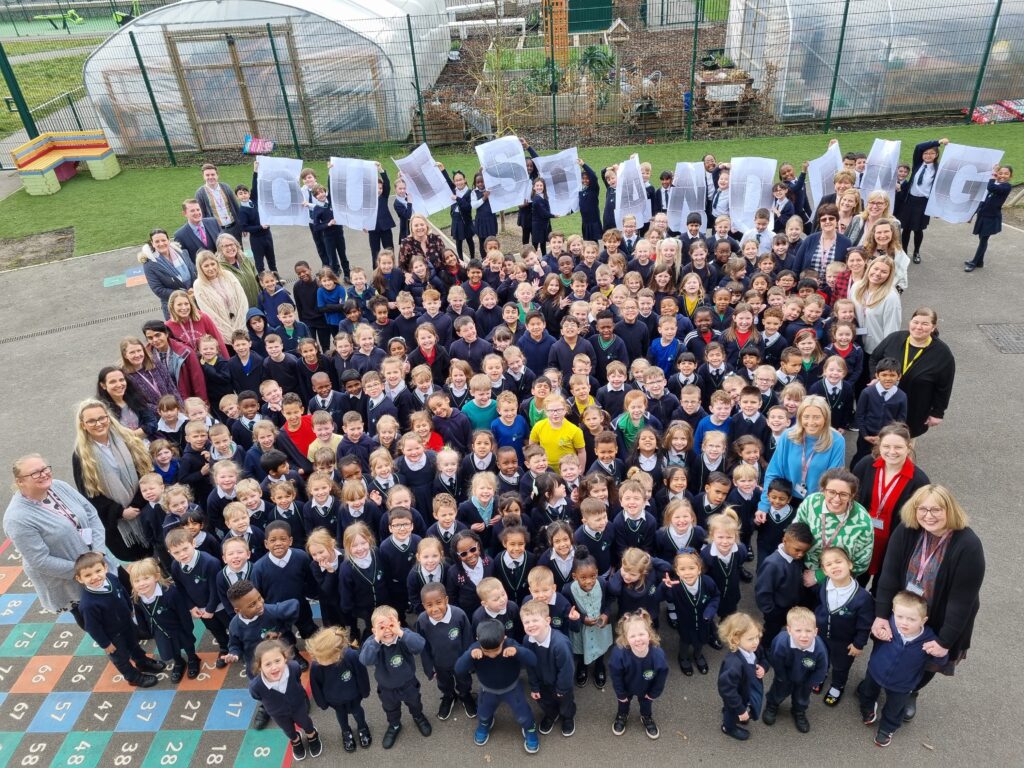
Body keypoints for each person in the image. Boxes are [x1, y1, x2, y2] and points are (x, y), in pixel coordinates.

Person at [871, 485, 985, 723]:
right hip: (904, 611)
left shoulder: (968, 545)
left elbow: (961, 601)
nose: (928, 515)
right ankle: (879, 680)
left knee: (925, 661)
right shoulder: (906, 530)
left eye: (936, 509)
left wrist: (944, 641)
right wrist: (881, 615)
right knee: (888, 646)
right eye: (922, 509)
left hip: (942, 617)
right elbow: (889, 575)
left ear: (949, 509)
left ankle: (911, 691)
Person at [4, 455, 107, 622]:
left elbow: (91, 514)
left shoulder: (58, 486)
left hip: (97, 561)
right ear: (20, 481)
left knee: (121, 604)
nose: (44, 474)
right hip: (70, 581)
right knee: (100, 624)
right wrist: (86, 571)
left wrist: (99, 551)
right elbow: (40, 560)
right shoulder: (16, 519)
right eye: (35, 473)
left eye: (45, 469)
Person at [859, 591, 948, 748]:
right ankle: (868, 707)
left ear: (924, 620)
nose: (904, 623)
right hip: (875, 671)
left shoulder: (929, 639)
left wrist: (939, 653)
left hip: (903, 684)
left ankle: (887, 728)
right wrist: (879, 633)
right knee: (867, 692)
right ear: (893, 612)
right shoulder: (889, 625)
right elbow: (873, 633)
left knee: (895, 708)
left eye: (912, 619)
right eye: (900, 616)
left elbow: (940, 660)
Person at [72, 399, 154, 563]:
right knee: (136, 567)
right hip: (117, 526)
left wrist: (136, 505)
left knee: (156, 555)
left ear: (108, 418)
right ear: (83, 424)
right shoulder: (81, 456)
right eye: (91, 421)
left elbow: (146, 473)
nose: (98, 423)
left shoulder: (128, 440)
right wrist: (120, 512)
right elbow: (89, 494)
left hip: (144, 510)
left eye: (102, 418)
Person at [852, 423, 930, 583]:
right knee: (855, 583)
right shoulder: (866, 465)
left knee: (882, 587)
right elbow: (852, 495)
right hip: (861, 539)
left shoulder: (919, 480)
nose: (892, 452)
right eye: (886, 446)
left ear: (908, 448)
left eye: (898, 447)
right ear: (879, 445)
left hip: (893, 545)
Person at [75, 551, 164, 687]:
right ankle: (133, 677)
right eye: (88, 575)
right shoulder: (88, 604)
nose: (95, 577)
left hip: (126, 623)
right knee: (120, 657)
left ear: (105, 568)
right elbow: (93, 628)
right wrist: (105, 644)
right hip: (112, 636)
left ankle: (142, 662)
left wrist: (130, 610)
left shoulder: (111, 577)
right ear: (80, 579)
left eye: (98, 571)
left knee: (134, 644)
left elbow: (122, 592)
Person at [455, 617, 540, 754]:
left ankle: (529, 729)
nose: (492, 655)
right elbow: (458, 669)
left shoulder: (511, 644)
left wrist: (518, 651)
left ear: (504, 638)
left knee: (523, 715)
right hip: (487, 690)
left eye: (496, 649)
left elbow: (533, 661)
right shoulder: (475, 648)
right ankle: (485, 724)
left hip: (512, 689)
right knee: (483, 713)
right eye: (487, 651)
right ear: (478, 639)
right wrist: (469, 656)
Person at [869, 307, 955, 437]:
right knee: (874, 443)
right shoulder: (894, 338)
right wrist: (874, 378)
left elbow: (944, 386)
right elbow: (874, 358)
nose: (918, 327)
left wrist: (938, 413)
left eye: (925, 324)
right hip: (883, 403)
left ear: (933, 327)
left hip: (914, 409)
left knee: (902, 447)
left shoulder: (942, 354)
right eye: (915, 322)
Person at [359, 605, 432, 749]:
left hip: (408, 683)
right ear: (374, 630)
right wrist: (376, 640)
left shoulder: (403, 636)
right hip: (387, 688)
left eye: (391, 625)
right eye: (381, 627)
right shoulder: (372, 643)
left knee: (415, 703)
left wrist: (400, 632)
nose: (387, 630)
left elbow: (419, 646)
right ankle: (395, 725)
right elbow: (365, 660)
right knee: (390, 709)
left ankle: (418, 717)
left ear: (398, 624)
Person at [759, 395, 845, 512]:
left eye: (816, 417)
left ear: (825, 418)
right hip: (785, 499)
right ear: (800, 417)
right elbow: (773, 472)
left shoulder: (836, 440)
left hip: (817, 503)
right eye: (806, 417)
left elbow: (834, 480)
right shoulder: (788, 436)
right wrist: (764, 504)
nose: (811, 422)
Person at [795, 467, 874, 587]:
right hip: (802, 567)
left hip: (836, 580)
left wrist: (820, 575)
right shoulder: (811, 503)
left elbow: (861, 563)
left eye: (843, 494)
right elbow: (796, 533)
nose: (836, 499)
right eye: (831, 492)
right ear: (823, 490)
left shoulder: (863, 521)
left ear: (852, 495)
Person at [248, 639, 323, 760]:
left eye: (277, 661)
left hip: (298, 705)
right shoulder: (256, 685)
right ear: (259, 666)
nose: (274, 667)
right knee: (288, 730)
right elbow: (256, 695)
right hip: (278, 713)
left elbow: (297, 678)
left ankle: (312, 735)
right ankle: (295, 740)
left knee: (305, 722)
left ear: (285, 659)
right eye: (268, 664)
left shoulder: (293, 667)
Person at [762, 606, 828, 734]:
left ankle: (799, 711)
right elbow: (776, 659)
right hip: (785, 675)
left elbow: (822, 668)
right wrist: (781, 676)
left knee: (802, 697)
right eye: (798, 630)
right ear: (789, 630)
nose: (804, 635)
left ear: (815, 631)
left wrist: (811, 683)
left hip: (806, 679)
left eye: (808, 631)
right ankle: (772, 705)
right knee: (778, 691)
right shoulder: (781, 643)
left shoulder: (819, 649)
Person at [307, 626, 372, 752]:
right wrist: (322, 703)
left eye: (322, 658)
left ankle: (362, 727)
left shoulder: (351, 656)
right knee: (341, 716)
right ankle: (345, 731)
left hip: (353, 695)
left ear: (337, 653)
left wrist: (365, 691)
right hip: (334, 700)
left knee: (358, 711)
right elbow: (316, 686)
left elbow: (361, 674)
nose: (318, 661)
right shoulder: (317, 665)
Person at [609, 608, 668, 740]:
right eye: (632, 636)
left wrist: (653, 694)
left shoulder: (658, 656)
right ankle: (622, 715)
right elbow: (616, 677)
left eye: (641, 634)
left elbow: (661, 678)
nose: (638, 639)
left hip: (647, 689)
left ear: (649, 634)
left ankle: (646, 716)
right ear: (626, 638)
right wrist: (621, 694)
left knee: (646, 704)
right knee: (623, 703)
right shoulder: (618, 655)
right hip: (626, 687)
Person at [716, 611, 767, 741]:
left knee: (739, 708)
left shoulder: (754, 648)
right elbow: (728, 690)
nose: (756, 642)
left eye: (757, 636)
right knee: (731, 712)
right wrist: (740, 709)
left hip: (746, 690)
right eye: (751, 639)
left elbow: (763, 659)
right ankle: (728, 727)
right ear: (736, 639)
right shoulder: (734, 664)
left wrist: (763, 667)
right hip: (736, 696)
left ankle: (739, 713)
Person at [898, 138, 949, 263]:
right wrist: (938, 142)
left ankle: (916, 252)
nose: (928, 155)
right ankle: (904, 252)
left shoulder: (938, 168)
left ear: (936, 155)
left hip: (923, 203)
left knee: (918, 229)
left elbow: (940, 189)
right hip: (909, 200)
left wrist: (937, 208)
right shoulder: (918, 164)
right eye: (925, 153)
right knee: (906, 229)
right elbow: (918, 145)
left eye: (931, 153)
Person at [850, 255, 901, 359]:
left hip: (876, 350)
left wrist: (887, 354)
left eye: (884, 272)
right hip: (855, 345)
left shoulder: (891, 297)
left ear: (889, 275)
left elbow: (892, 328)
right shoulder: (856, 287)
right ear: (869, 267)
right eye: (876, 268)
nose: (878, 274)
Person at [191, 251, 249, 343]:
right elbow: (209, 313)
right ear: (200, 268)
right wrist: (229, 333)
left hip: (242, 327)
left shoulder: (228, 275)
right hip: (222, 334)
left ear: (217, 263)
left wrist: (240, 326)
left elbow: (242, 300)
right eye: (206, 266)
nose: (211, 268)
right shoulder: (199, 285)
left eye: (213, 264)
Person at [138, 229, 196, 318]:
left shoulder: (182, 252)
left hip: (194, 299)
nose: (161, 244)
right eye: (157, 241)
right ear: (152, 243)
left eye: (163, 240)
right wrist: (184, 293)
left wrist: (194, 288)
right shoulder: (150, 265)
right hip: (174, 307)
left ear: (168, 240)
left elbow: (194, 272)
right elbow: (158, 289)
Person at [966, 164, 1014, 271]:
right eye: (1000, 173)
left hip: (991, 218)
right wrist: (972, 215)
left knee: (983, 240)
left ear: (1010, 176)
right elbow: (983, 202)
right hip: (983, 215)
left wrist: (993, 174)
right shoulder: (996, 185)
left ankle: (974, 262)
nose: (1003, 175)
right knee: (982, 239)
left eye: (1006, 174)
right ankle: (980, 262)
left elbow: (991, 187)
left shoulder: (1006, 187)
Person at [96, 366, 157, 439]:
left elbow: (152, 423)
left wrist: (133, 435)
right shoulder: (100, 409)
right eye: (113, 382)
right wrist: (142, 433)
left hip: (149, 444)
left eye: (121, 380)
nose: (119, 385)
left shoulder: (136, 398)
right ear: (103, 385)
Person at [195, 163, 242, 241]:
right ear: (203, 177)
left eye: (213, 174)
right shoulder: (200, 193)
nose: (210, 177)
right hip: (218, 230)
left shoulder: (226, 187)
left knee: (239, 250)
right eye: (207, 175)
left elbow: (235, 207)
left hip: (234, 227)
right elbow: (201, 215)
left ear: (217, 175)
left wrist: (241, 226)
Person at [214, 232, 260, 307]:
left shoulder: (244, 259)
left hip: (258, 304)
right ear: (220, 249)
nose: (229, 248)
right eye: (225, 246)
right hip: (241, 309)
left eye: (232, 244)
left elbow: (256, 277)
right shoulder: (220, 268)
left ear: (236, 245)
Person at [174, 198, 222, 263]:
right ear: (184, 214)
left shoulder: (213, 222)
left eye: (198, 209)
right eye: (192, 211)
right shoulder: (180, 235)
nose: (197, 213)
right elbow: (186, 261)